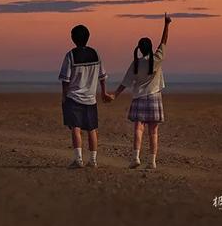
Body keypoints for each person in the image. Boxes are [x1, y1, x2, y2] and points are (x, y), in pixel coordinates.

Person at [111, 12, 172, 169]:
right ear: (150, 48)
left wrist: (115, 95)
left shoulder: (136, 63)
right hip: (154, 97)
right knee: (153, 131)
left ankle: (136, 157)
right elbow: (164, 41)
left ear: (139, 49)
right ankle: (152, 161)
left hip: (139, 97)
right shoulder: (157, 59)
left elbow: (125, 81)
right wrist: (166, 24)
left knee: (138, 129)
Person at [58, 24, 111, 168]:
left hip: (74, 97)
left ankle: (78, 159)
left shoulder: (71, 55)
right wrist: (103, 92)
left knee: (76, 127)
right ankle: (93, 160)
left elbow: (65, 80)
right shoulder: (95, 54)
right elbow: (102, 76)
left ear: (73, 38)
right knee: (92, 128)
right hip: (90, 98)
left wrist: (64, 96)